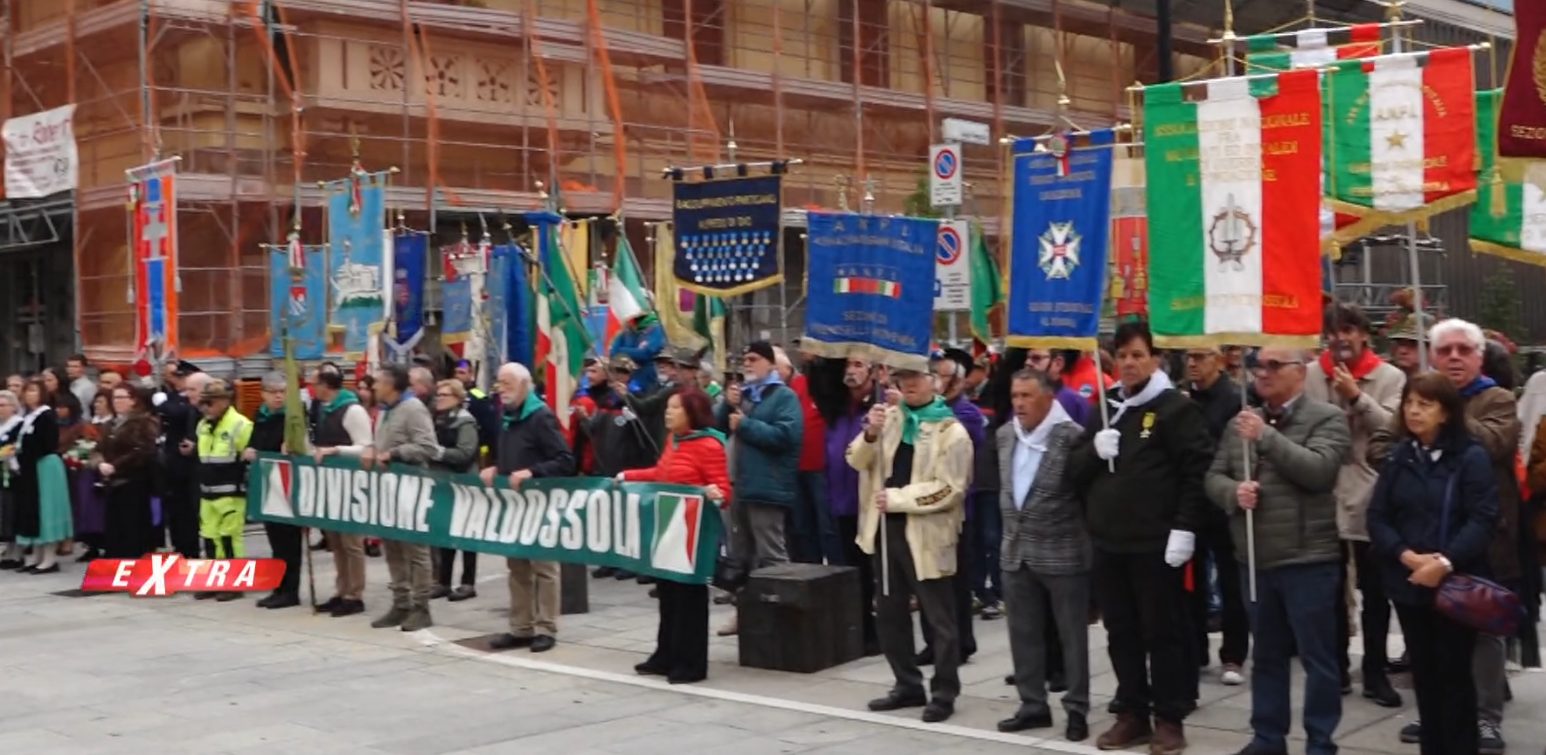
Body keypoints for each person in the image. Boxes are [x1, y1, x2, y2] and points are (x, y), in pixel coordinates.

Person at [1371, 319, 1519, 754]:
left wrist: (1444, 562)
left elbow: (1483, 514)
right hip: (1411, 581)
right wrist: (1407, 557)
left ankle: (1471, 736)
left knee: (1458, 678)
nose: (1414, 412)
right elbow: (1380, 514)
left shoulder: (1473, 445)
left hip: (1458, 578)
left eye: (1426, 404)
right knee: (1427, 679)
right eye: (1410, 404)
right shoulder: (1402, 454)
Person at [1070, 321, 1213, 755]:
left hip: (1156, 544)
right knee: (1121, 632)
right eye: (1123, 355)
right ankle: (1132, 711)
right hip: (1110, 544)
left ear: (1155, 359)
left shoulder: (1174, 409)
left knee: (1162, 633)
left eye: (1137, 355)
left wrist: (1186, 527)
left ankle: (1169, 718)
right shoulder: (1105, 405)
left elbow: (1195, 472)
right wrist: (1095, 450)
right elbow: (1072, 473)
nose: (1129, 363)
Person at [1205, 347, 1350, 755]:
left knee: (1317, 659)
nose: (1262, 373)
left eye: (1274, 366)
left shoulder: (1327, 417)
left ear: (1299, 371)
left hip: (1307, 558)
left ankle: (1320, 740)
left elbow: (1319, 472)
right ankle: (1268, 736)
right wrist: (1234, 492)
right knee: (1266, 656)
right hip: (1255, 557)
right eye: (1257, 366)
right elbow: (1213, 476)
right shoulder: (1241, 421)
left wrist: (1266, 437)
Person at [847, 362, 971, 723]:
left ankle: (945, 691)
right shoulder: (890, 418)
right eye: (903, 379)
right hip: (884, 530)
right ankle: (906, 683)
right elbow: (856, 460)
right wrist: (870, 433)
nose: (910, 384)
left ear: (933, 381)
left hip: (926, 534)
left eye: (916, 378)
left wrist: (900, 498)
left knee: (939, 618)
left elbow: (950, 488)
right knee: (889, 612)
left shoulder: (952, 431)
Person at [1304, 303, 1406, 706]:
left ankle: (1375, 671)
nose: (1340, 338)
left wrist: (1357, 397)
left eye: (1348, 330)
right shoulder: (1313, 375)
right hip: (1325, 494)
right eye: (1332, 331)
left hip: (1371, 497)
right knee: (1328, 592)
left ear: (1364, 334)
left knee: (1375, 593)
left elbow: (1393, 428)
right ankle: (1336, 668)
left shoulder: (1390, 376)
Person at [996, 369, 1091, 742]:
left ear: (1048, 398)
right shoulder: (1006, 435)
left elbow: (1085, 497)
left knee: (1071, 637)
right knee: (1023, 634)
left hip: (1062, 550)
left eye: (1027, 396)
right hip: (1017, 550)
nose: (1019, 403)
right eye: (1015, 395)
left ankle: (1077, 707)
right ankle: (1032, 703)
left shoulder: (1071, 438)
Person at [622, 387, 731, 684]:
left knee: (689, 598)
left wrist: (714, 494)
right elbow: (660, 474)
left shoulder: (709, 445)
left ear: (692, 413)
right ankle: (665, 654)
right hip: (667, 530)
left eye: (675, 408)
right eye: (667, 407)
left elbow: (723, 490)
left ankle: (691, 663)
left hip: (694, 536)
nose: (668, 413)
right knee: (668, 595)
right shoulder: (674, 440)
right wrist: (627, 476)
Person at [483, 362, 573, 653]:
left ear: (524, 385)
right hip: (515, 507)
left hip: (540, 504)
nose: (501, 389)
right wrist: (496, 467)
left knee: (544, 568)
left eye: (507, 383)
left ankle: (546, 627)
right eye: (499, 383)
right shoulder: (507, 416)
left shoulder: (540, 417)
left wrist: (533, 471)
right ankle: (521, 626)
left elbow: (564, 460)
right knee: (517, 566)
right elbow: (509, 455)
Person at [715, 341, 803, 637]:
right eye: (745, 359)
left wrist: (747, 424)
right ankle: (745, 613)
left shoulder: (783, 397)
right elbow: (720, 427)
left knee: (771, 555)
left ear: (770, 364)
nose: (747, 364)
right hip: (740, 485)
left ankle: (787, 617)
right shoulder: (747, 397)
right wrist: (728, 405)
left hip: (767, 487)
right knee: (741, 557)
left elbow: (787, 436)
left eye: (753, 359)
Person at [1182, 345, 1252, 687]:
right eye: (1189, 358)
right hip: (1192, 501)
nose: (1193, 364)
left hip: (1225, 501)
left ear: (1219, 361)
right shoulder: (1183, 399)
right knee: (1190, 581)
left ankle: (1234, 654)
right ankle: (1194, 650)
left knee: (1230, 581)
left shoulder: (1236, 398)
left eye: (1201, 357)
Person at [919, 348, 986, 664]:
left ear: (957, 382)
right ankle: (934, 641)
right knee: (930, 579)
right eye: (932, 375)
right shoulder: (927, 411)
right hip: (928, 508)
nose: (935, 382)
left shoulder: (966, 414)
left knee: (956, 580)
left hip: (958, 510)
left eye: (942, 376)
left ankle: (961, 641)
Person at [368, 364, 441, 632]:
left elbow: (428, 447)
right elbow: (380, 446)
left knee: (416, 551)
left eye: (378, 382)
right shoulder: (385, 412)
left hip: (411, 490)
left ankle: (421, 607)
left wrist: (396, 454)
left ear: (392, 385)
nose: (374, 386)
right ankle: (401, 603)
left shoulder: (413, 409)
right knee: (393, 548)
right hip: (388, 491)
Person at [820, 357, 884, 652]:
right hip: (842, 502)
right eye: (848, 365)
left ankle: (879, 630)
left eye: (859, 364)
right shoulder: (837, 406)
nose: (851, 371)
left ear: (873, 371)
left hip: (872, 504)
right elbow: (821, 375)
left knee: (876, 572)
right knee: (852, 569)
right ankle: (860, 628)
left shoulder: (879, 408)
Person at [309, 364, 374, 617]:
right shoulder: (322, 409)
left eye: (315, 383)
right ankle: (341, 589)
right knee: (335, 541)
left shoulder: (352, 409)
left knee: (352, 542)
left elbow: (366, 446)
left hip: (350, 482)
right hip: (329, 483)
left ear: (326, 385)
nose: (312, 388)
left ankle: (355, 594)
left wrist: (337, 451)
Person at [189, 379, 252, 600]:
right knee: (209, 537)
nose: (206, 408)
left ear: (225, 401)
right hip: (208, 492)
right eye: (203, 403)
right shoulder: (203, 425)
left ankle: (234, 583)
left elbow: (249, 457)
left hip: (231, 493)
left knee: (230, 538)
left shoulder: (240, 424)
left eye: (210, 403)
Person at [243, 372, 299, 609]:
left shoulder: (293, 417)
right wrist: (250, 450)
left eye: (282, 392)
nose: (278, 397)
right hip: (267, 483)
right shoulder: (262, 415)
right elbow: (256, 442)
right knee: (274, 538)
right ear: (264, 394)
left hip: (287, 484)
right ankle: (278, 586)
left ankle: (290, 590)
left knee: (289, 541)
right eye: (273, 392)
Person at [779, 346, 838, 566]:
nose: (804, 352)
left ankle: (836, 572)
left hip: (821, 467)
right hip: (797, 467)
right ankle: (810, 575)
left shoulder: (817, 383)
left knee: (827, 527)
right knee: (802, 527)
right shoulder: (790, 389)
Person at [10, 378, 72, 573]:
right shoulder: (29, 416)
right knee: (33, 509)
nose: (29, 395)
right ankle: (36, 556)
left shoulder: (46, 415)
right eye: (27, 391)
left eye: (34, 391)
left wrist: (23, 452)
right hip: (31, 467)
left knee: (46, 509)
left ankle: (49, 557)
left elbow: (46, 443)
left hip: (45, 466)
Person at [429, 379, 479, 602]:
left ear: (457, 399)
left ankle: (468, 583)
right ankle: (443, 582)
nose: (439, 398)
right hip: (443, 484)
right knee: (444, 533)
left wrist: (437, 453)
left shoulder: (465, 422)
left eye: (445, 395)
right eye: (438, 394)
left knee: (467, 535)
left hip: (464, 484)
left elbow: (465, 454)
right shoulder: (437, 419)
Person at [95, 385, 158, 559]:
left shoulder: (142, 422)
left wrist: (116, 465)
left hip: (133, 480)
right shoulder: (110, 424)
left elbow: (143, 449)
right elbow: (98, 449)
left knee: (133, 526)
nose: (118, 402)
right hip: (112, 482)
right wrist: (100, 463)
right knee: (115, 526)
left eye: (122, 397)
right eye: (115, 398)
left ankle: (135, 562)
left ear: (133, 400)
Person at [157, 361, 203, 557]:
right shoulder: (172, 397)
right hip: (173, 460)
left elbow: (175, 412)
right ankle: (180, 547)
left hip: (191, 464)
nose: (176, 381)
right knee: (175, 508)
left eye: (180, 377)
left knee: (189, 511)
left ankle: (190, 548)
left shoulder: (196, 403)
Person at [1024, 349, 1095, 426]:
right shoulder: (1020, 398)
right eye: (1027, 358)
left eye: (1036, 358)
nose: (1028, 363)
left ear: (1058, 363)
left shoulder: (1075, 402)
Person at [611, 316, 666, 390]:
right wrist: (625, 332)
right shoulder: (628, 332)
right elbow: (614, 353)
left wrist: (622, 350)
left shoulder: (656, 328)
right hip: (630, 380)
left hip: (650, 380)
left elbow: (646, 353)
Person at [0, 391, 22, 566]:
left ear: (13, 407)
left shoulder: (18, 425)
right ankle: (8, 550)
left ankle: (17, 553)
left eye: (2, 405)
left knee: (13, 511)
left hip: (13, 473)